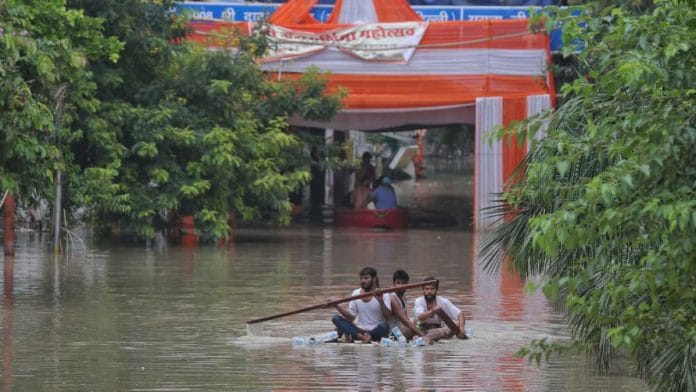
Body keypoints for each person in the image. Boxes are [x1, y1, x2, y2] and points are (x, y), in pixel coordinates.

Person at [331, 267, 392, 343]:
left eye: (366, 278)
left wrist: (380, 300)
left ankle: (366, 337)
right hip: (359, 331)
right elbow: (351, 317)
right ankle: (362, 338)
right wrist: (336, 306)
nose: (363, 281)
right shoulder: (356, 293)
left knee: (385, 326)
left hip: (376, 331)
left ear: (374, 279)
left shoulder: (384, 294)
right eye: (361, 278)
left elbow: (388, 317)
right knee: (336, 318)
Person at [414, 276, 467, 344]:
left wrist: (462, 328)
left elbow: (460, 314)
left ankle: (428, 338)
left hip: (440, 331)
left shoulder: (443, 301)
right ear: (423, 290)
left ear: (436, 290)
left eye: (432, 289)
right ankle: (426, 338)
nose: (429, 291)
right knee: (417, 337)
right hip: (423, 330)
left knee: (457, 324)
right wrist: (433, 311)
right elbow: (420, 317)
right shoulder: (419, 301)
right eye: (426, 289)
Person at [388, 269, 424, 340]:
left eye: (403, 283)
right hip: (393, 332)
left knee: (418, 326)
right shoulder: (393, 298)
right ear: (393, 284)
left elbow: (406, 318)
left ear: (407, 284)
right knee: (416, 331)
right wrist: (422, 334)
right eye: (398, 283)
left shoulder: (404, 297)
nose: (400, 286)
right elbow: (405, 321)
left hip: (402, 328)